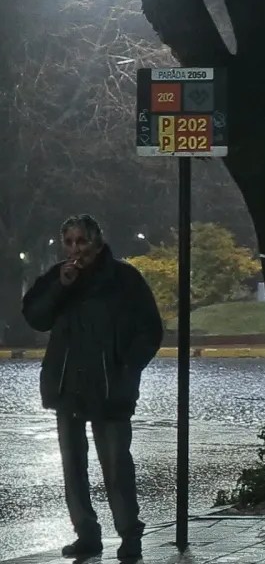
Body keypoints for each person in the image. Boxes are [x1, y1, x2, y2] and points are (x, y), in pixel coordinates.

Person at [22, 215, 163, 561]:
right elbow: (36, 317)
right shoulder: (58, 277)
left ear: (97, 242)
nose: (76, 249)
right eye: (69, 242)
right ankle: (86, 533)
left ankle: (129, 534)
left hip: (110, 388)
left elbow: (150, 329)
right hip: (68, 386)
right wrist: (60, 287)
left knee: (116, 465)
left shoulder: (124, 279)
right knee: (73, 467)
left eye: (82, 241)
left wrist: (127, 368)